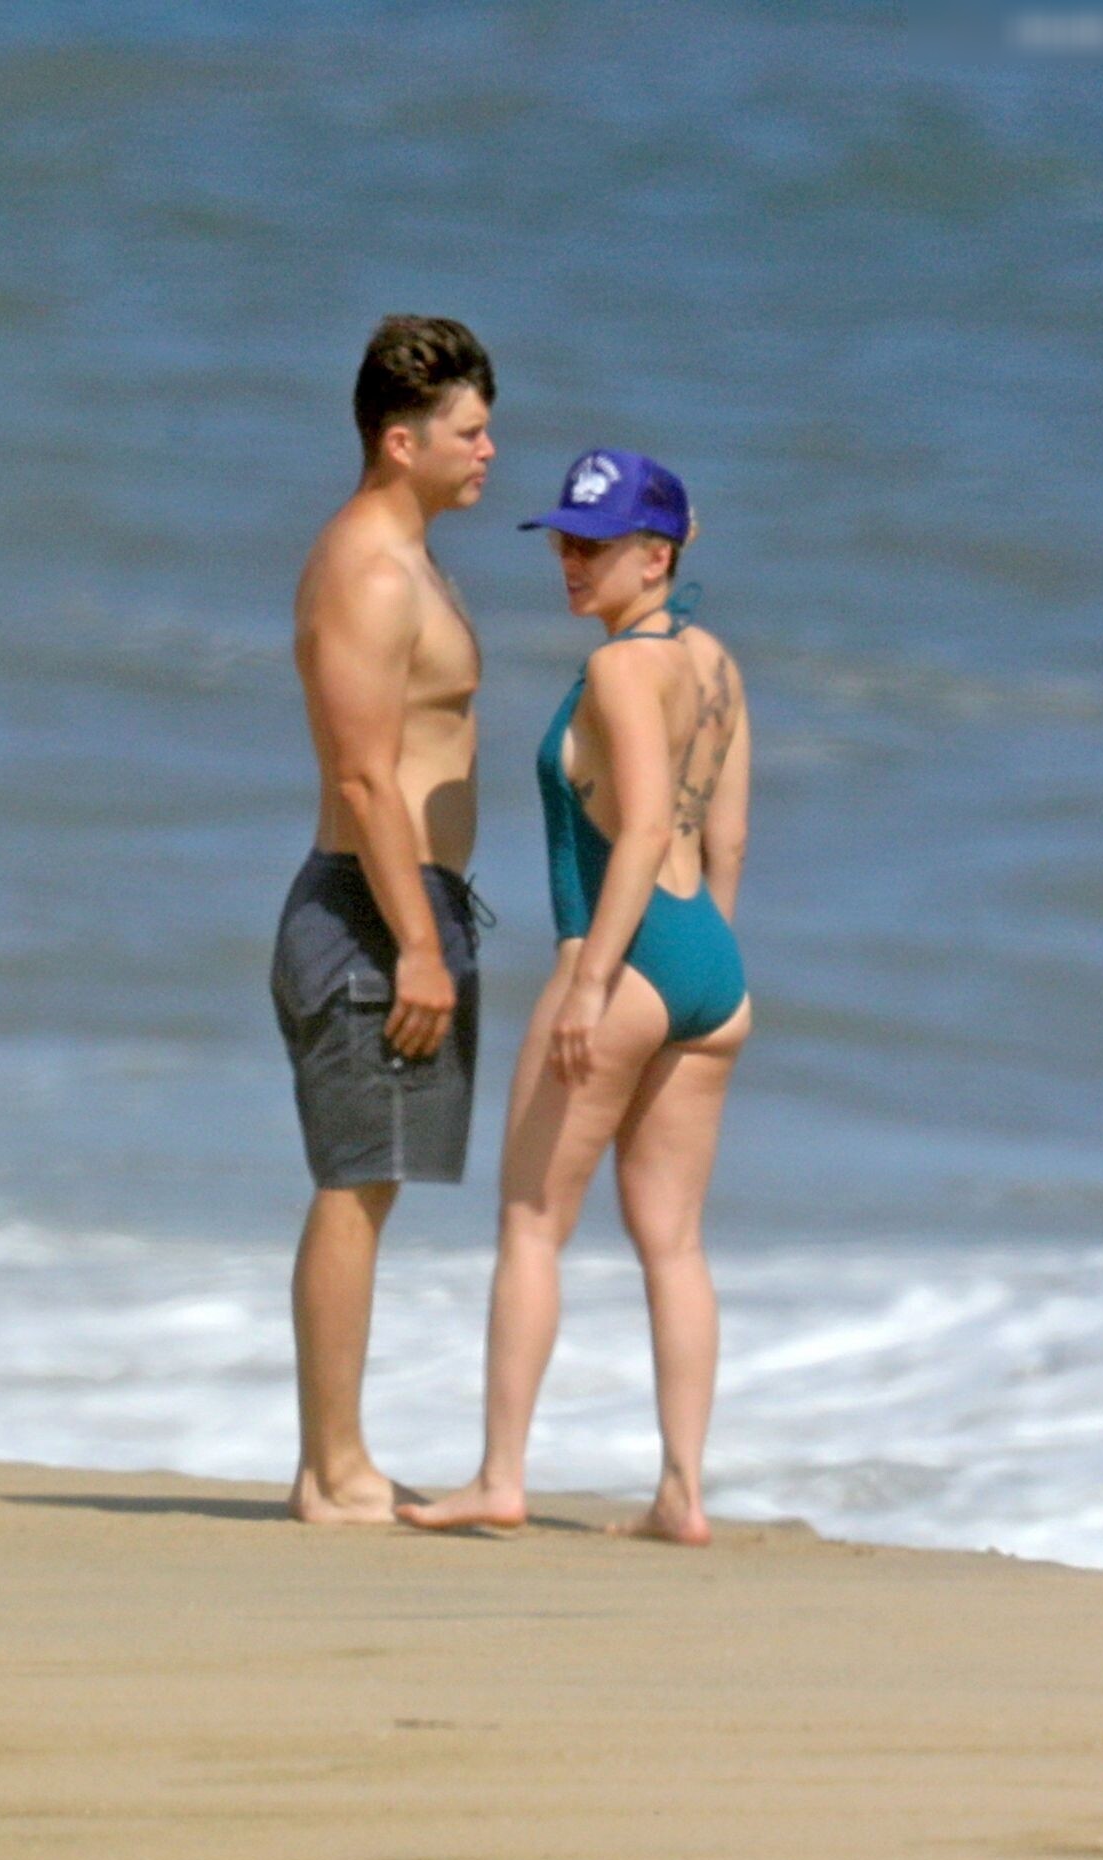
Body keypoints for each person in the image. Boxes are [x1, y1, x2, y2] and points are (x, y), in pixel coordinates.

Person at [400, 448, 751, 1547]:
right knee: (674, 1243)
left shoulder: (618, 673)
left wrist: (591, 984)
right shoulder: (715, 664)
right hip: (709, 966)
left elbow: (639, 830)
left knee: (531, 1223)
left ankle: (499, 1477)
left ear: (659, 554)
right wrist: (704, 964)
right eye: (563, 538)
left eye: (595, 543)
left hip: (621, 953)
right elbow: (726, 838)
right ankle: (681, 1494)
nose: (570, 559)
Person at [270, 315, 496, 1524]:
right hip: (371, 908)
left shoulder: (407, 557)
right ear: (400, 441)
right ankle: (334, 1470)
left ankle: (331, 1462)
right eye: (468, 432)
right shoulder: (369, 567)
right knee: (355, 1183)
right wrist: (415, 943)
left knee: (372, 1182)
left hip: (402, 904)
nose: (488, 450)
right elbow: (363, 778)